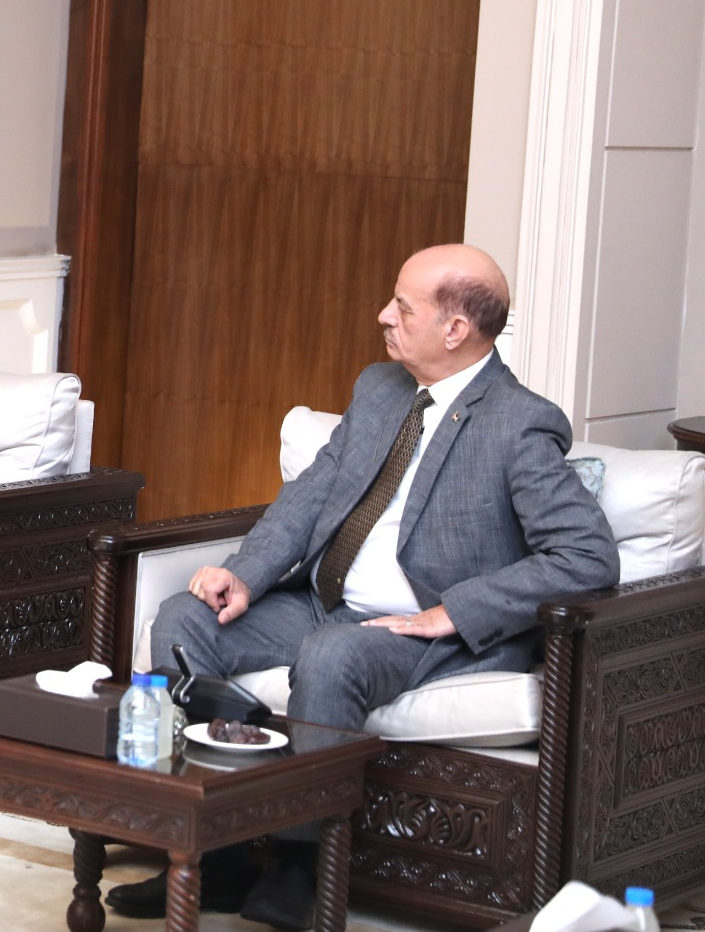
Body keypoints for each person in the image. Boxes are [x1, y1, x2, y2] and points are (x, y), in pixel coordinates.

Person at [106, 244, 619, 928]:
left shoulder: (519, 421)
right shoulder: (380, 389)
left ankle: (300, 864)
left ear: (456, 329)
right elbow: (309, 495)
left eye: (403, 307)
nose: (383, 316)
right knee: (183, 619)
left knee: (333, 654)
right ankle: (214, 851)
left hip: (419, 633)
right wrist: (245, 574)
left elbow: (586, 557)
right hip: (327, 605)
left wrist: (451, 612)